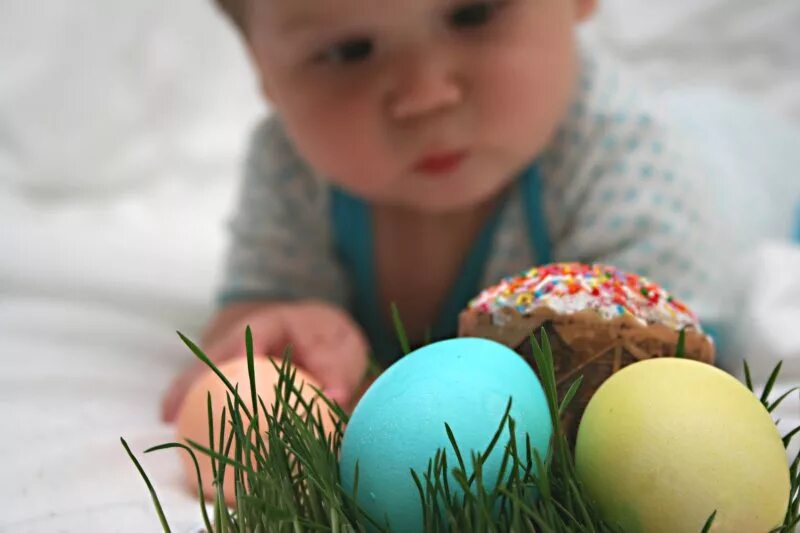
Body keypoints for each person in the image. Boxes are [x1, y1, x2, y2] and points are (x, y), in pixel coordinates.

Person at [161, 0, 798, 421]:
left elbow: (673, 367)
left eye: (473, 13)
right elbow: (250, 316)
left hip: (757, 162)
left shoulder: (623, 154)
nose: (425, 96)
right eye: (349, 52)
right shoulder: (295, 166)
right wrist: (282, 323)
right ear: (262, 69)